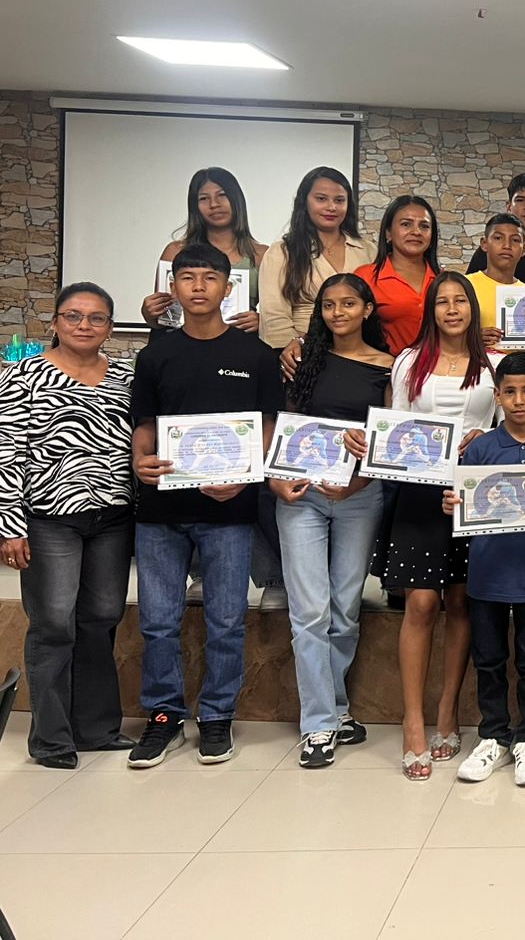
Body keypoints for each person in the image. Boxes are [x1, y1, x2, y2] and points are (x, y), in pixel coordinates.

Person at [126, 244, 283, 768]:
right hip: (161, 511)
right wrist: (140, 462)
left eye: (209, 277)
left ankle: (217, 715)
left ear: (227, 287)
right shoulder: (156, 354)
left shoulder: (255, 355)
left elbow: (268, 427)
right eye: (187, 277)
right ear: (172, 287)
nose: (198, 286)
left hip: (229, 510)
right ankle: (164, 717)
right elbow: (144, 425)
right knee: (158, 620)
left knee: (226, 619)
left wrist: (246, 477)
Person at [358, 272, 498, 779]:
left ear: (473, 309)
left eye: (461, 301)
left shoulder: (492, 364)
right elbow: (394, 424)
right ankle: (412, 720)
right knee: (421, 603)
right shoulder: (408, 361)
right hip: (420, 491)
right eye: (443, 302)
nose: (452, 309)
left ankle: (447, 711)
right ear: (431, 310)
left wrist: (485, 436)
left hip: (472, 492)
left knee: (460, 602)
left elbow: (505, 426)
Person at [0, 284, 134, 769]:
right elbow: (7, 453)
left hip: (113, 518)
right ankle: (51, 739)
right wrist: (9, 526)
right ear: (55, 322)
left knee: (101, 618)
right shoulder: (22, 375)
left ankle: (96, 729)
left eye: (96, 318)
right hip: (48, 519)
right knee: (54, 623)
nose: (84, 325)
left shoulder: (126, 376)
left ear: (110, 327)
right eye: (73, 316)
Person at [272, 274, 394, 768]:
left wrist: (359, 481)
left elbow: (390, 438)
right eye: (328, 305)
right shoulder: (302, 358)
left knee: (344, 609)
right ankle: (319, 724)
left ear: (367, 309)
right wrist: (276, 479)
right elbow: (282, 424)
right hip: (300, 496)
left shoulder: (389, 366)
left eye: (348, 303)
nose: (337, 312)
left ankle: (338, 707)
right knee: (310, 612)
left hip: (360, 497)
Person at [442, 352, 525, 786]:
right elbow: (463, 502)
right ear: (497, 396)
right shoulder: (480, 448)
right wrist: (453, 504)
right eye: (510, 392)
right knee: (489, 659)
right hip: (487, 574)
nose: (519, 400)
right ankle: (493, 735)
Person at [258, 166, 374, 351]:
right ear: (304, 202)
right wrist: (296, 350)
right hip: (299, 353)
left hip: (357, 351)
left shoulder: (368, 250)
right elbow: (274, 316)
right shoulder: (282, 251)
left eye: (339, 200)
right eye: (321, 199)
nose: (331, 207)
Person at [140, 167, 268, 332]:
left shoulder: (261, 255)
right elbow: (162, 319)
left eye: (222, 195)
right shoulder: (175, 251)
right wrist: (149, 313)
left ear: (236, 200)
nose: (214, 204)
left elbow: (277, 313)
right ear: (195, 206)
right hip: (181, 342)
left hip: (239, 343)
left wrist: (262, 322)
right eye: (204, 198)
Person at [354, 196, 441, 356]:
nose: (416, 232)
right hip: (387, 367)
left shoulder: (445, 280)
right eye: (406, 224)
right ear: (388, 232)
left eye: (424, 226)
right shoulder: (366, 277)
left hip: (440, 367)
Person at [465, 213, 525, 350]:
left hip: (516, 363)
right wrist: (471, 338)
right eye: (498, 238)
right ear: (484, 244)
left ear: (524, 249)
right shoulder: (465, 286)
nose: (507, 245)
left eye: (515, 240)